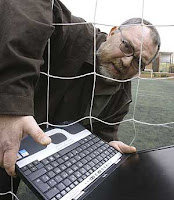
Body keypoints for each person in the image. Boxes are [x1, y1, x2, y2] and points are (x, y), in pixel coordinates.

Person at [0, 0, 160, 199]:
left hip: (40, 153)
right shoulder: (73, 34)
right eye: (127, 46)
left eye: (138, 61)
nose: (127, 61)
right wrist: (12, 103)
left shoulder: (122, 96)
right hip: (7, 125)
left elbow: (104, 134)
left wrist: (106, 149)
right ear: (112, 32)